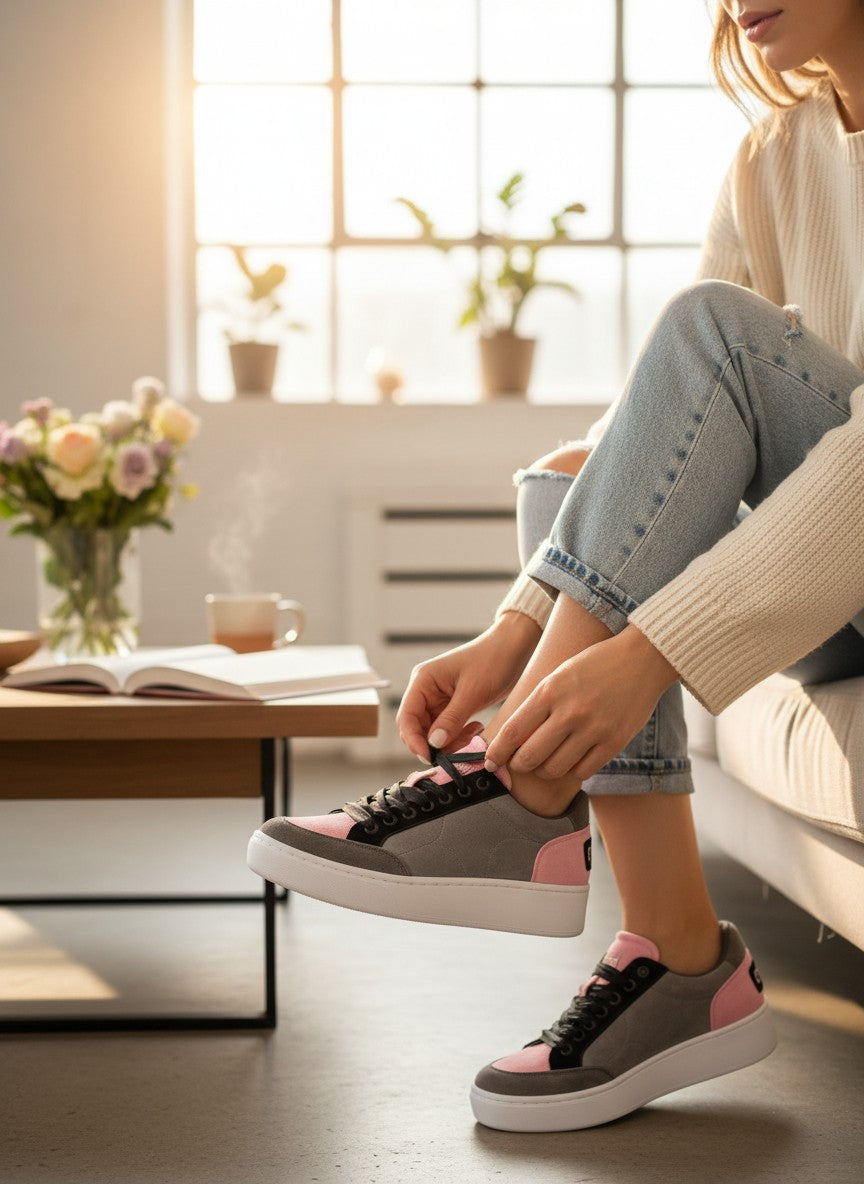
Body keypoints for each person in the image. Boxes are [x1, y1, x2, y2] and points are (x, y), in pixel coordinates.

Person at [247, 1, 864, 1132]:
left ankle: (523, 792)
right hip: (826, 579)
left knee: (711, 330)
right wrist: (513, 625)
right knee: (566, 470)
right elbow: (663, 421)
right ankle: (680, 960)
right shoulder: (774, 154)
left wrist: (650, 650)